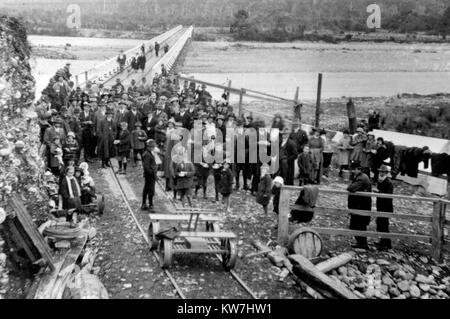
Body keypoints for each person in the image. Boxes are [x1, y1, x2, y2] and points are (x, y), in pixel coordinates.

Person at [347, 162, 372, 249]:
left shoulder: (361, 178)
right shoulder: (361, 176)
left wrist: (350, 185)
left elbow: (351, 188)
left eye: (354, 170)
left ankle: (363, 244)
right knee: (357, 225)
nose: (353, 171)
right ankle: (361, 243)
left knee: (358, 225)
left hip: (361, 206)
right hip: (359, 205)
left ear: (358, 169)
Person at [375, 165, 394, 250]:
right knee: (380, 224)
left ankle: (387, 244)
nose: (381, 173)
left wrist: (378, 191)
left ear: (386, 173)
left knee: (384, 225)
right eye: (380, 172)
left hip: (385, 206)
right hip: (380, 205)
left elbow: (388, 195)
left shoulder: (388, 182)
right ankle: (383, 242)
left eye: (383, 172)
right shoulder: (381, 181)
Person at [142, 139, 158, 211]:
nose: (153, 148)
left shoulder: (149, 153)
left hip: (150, 174)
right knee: (150, 190)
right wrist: (152, 173)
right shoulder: (147, 155)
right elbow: (146, 166)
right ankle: (150, 204)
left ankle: (144, 204)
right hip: (150, 175)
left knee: (147, 189)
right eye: (152, 147)